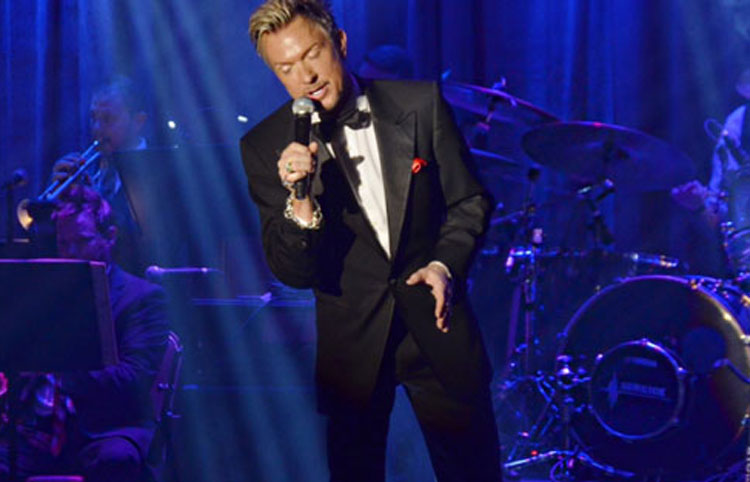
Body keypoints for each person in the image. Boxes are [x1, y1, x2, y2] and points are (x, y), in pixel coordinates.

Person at [240, 1, 501, 480]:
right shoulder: (264, 146)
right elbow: (292, 272)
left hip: (437, 328)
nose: (305, 76)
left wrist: (444, 264)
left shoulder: (419, 104)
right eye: (286, 68)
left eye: (312, 54)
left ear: (339, 43)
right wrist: (300, 199)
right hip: (352, 349)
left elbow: (471, 201)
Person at [0, 185, 169, 481]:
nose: (71, 253)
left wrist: (56, 373)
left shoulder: (142, 297)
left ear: (110, 237)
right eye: (64, 243)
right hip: (39, 424)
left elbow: (134, 378)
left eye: (82, 241)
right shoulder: (46, 290)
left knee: (115, 460)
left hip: (104, 426)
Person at [49, 76, 148, 273]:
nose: (97, 129)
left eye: (108, 119)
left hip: (138, 279)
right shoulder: (88, 167)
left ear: (138, 122)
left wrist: (94, 201)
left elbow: (143, 241)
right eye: (93, 118)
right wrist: (58, 203)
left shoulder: (160, 171)